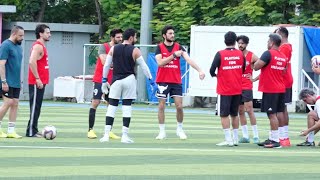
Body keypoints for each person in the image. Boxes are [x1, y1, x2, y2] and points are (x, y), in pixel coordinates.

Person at [99, 28, 157, 143]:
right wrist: (151, 80)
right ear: (131, 38)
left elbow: (106, 65)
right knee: (127, 107)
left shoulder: (113, 48)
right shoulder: (135, 50)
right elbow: (144, 67)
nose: (136, 39)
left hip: (116, 80)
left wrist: (104, 80)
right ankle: (124, 136)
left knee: (112, 107)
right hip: (129, 79)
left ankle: (106, 135)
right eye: (135, 37)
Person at [154, 25, 205, 140]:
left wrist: (200, 70)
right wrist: (173, 56)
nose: (172, 35)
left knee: (179, 106)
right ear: (164, 35)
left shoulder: (179, 47)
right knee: (161, 106)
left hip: (176, 81)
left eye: (173, 33)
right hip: (162, 81)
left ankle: (180, 129)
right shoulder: (159, 47)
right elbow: (160, 63)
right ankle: (162, 131)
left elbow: (188, 60)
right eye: (170, 33)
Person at [210, 31, 245, 146]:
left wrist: (217, 76)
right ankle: (235, 139)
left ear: (225, 41)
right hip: (237, 88)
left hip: (224, 89)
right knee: (234, 114)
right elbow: (243, 69)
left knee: (224, 115)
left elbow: (212, 70)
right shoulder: (241, 54)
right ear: (235, 42)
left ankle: (228, 140)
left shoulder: (220, 54)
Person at [87, 29, 123, 139]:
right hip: (100, 79)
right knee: (95, 102)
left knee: (111, 105)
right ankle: (90, 130)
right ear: (112, 38)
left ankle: (109, 131)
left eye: (121, 37)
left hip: (113, 80)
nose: (120, 39)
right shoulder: (104, 47)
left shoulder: (120, 49)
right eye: (118, 37)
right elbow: (104, 62)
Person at [253, 33, 287, 148]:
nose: (267, 43)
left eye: (268, 41)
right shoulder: (283, 56)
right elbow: (283, 71)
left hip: (271, 88)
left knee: (271, 114)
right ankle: (272, 138)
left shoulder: (268, 53)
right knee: (274, 113)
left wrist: (254, 62)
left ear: (272, 43)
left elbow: (256, 66)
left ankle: (275, 141)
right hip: (280, 88)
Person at [25, 24, 51, 137]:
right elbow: (31, 62)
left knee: (37, 107)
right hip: (36, 82)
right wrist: (37, 78)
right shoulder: (38, 46)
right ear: (40, 34)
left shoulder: (42, 46)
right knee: (35, 107)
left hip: (41, 81)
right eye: (47, 32)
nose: (49, 34)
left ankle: (34, 129)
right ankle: (30, 131)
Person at [0, 25, 24, 138]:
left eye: (23, 35)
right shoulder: (5, 45)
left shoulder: (19, 47)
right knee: (8, 103)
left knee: (15, 104)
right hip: (7, 81)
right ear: (13, 34)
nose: (22, 38)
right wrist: (4, 81)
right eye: (20, 35)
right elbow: (1, 64)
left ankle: (11, 131)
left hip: (16, 81)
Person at [236, 35, 260, 144]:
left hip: (246, 86)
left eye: (242, 43)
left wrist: (254, 79)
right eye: (239, 43)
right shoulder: (235, 55)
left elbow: (264, 66)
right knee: (240, 111)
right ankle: (245, 136)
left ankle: (256, 135)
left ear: (246, 44)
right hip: (236, 87)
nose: (240, 45)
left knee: (249, 110)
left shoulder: (252, 56)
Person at [275, 27, 293, 147]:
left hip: (283, 81)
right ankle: (284, 136)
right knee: (283, 109)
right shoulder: (287, 47)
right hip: (286, 81)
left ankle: (282, 137)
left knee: (279, 109)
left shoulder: (284, 47)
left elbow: (282, 66)